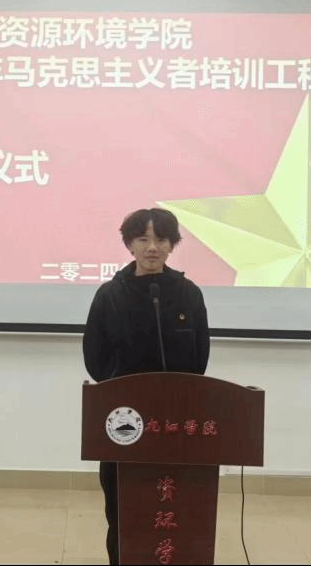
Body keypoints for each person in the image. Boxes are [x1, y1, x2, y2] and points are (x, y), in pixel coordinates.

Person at [82, 207, 210, 565]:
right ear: (130, 245)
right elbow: (95, 357)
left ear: (172, 245)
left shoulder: (188, 294)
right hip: (124, 421)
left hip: (175, 418)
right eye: (143, 239)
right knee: (124, 508)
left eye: (161, 239)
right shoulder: (110, 295)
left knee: (173, 506)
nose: (152, 247)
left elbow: (199, 357)